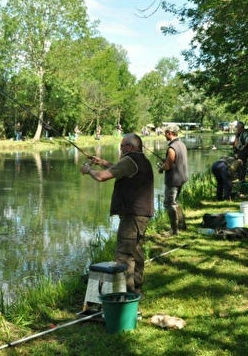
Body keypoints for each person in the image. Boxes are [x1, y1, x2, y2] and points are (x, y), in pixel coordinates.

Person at [80, 133, 154, 295]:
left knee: (124, 254)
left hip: (132, 214)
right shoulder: (142, 160)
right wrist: (103, 162)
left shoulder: (129, 160)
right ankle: (136, 284)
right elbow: (120, 170)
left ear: (129, 147)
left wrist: (89, 170)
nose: (120, 149)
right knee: (136, 250)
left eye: (121, 146)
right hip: (143, 213)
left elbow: (101, 178)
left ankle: (125, 292)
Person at [157, 125, 188, 236]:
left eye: (165, 133)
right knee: (176, 202)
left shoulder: (172, 148)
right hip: (182, 178)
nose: (165, 135)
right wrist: (166, 161)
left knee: (169, 204)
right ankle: (182, 225)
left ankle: (174, 230)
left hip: (173, 180)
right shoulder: (181, 144)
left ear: (170, 133)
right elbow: (176, 161)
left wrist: (161, 168)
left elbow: (168, 166)